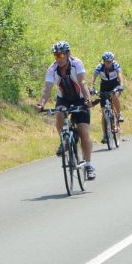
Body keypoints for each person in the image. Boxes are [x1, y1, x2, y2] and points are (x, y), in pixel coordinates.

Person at [36, 40, 95, 180]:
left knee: (84, 132)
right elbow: (47, 88)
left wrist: (87, 99)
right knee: (59, 114)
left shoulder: (76, 63)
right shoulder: (52, 69)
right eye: (56, 55)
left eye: (61, 54)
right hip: (64, 99)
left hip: (80, 98)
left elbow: (82, 82)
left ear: (68, 54)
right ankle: (64, 141)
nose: (58, 58)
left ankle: (88, 164)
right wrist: (41, 104)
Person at [90, 51, 125, 126]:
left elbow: (120, 75)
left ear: (112, 60)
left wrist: (121, 85)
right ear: (103, 61)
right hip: (104, 86)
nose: (108, 63)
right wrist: (91, 87)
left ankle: (119, 114)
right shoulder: (100, 66)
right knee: (104, 113)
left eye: (110, 62)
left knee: (114, 96)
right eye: (106, 62)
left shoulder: (115, 65)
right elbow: (94, 77)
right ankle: (105, 135)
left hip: (115, 85)